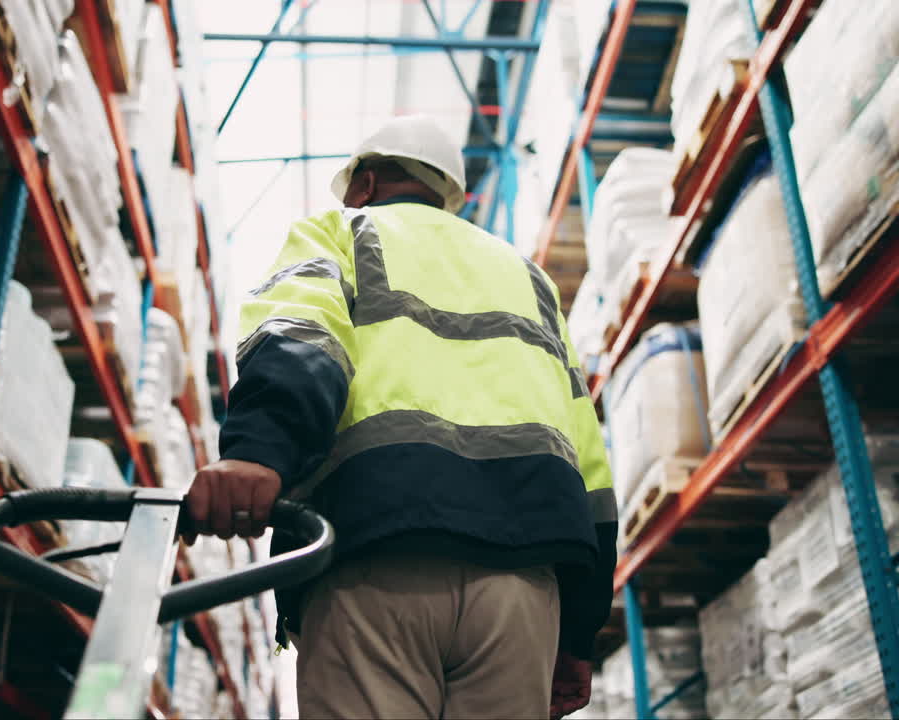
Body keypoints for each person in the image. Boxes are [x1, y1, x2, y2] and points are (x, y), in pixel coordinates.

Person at [184, 115, 616, 719]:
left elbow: (302, 338)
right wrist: (578, 631)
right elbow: (589, 461)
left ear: (365, 182)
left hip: (373, 556)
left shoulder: (339, 232)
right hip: (525, 585)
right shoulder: (529, 278)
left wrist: (258, 452)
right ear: (445, 195)